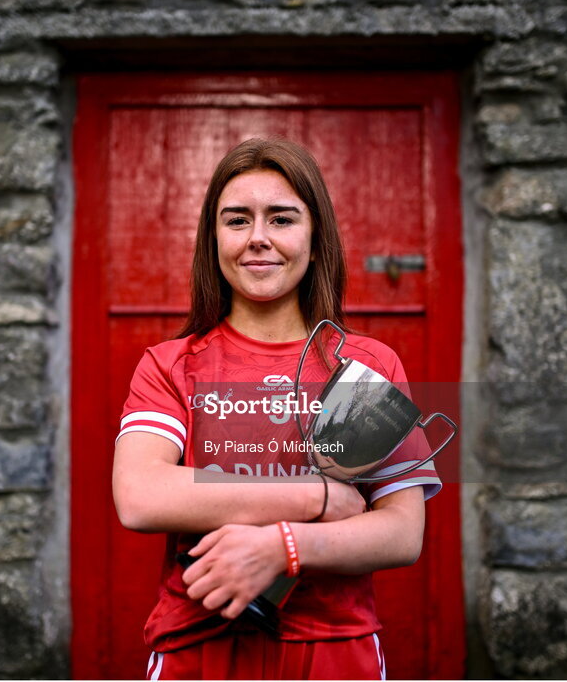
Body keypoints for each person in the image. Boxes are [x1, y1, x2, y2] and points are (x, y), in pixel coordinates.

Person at [112, 138, 441, 680]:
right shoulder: (173, 365)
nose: (258, 239)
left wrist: (285, 547)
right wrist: (317, 496)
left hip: (336, 646)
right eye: (237, 220)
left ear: (315, 241)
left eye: (282, 219)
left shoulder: (360, 366)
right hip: (198, 642)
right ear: (213, 240)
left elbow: (402, 533)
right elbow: (141, 496)